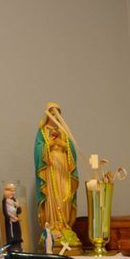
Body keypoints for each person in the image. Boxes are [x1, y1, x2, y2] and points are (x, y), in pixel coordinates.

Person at [33, 103, 80, 251]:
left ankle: (65, 224)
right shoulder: (42, 131)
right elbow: (37, 150)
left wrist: (64, 145)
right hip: (50, 169)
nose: (55, 117)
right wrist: (49, 145)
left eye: (57, 114)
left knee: (65, 195)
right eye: (52, 114)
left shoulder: (64, 132)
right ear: (47, 115)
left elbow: (72, 150)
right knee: (53, 196)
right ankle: (53, 225)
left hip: (63, 169)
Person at [0, 182, 23, 251]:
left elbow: (19, 211)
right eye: (12, 191)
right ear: (7, 191)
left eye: (14, 191)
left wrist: (18, 206)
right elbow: (5, 212)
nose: (13, 193)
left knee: (17, 233)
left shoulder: (14, 200)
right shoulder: (4, 201)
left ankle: (18, 247)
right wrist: (10, 217)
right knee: (11, 234)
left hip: (16, 221)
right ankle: (12, 248)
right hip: (10, 222)